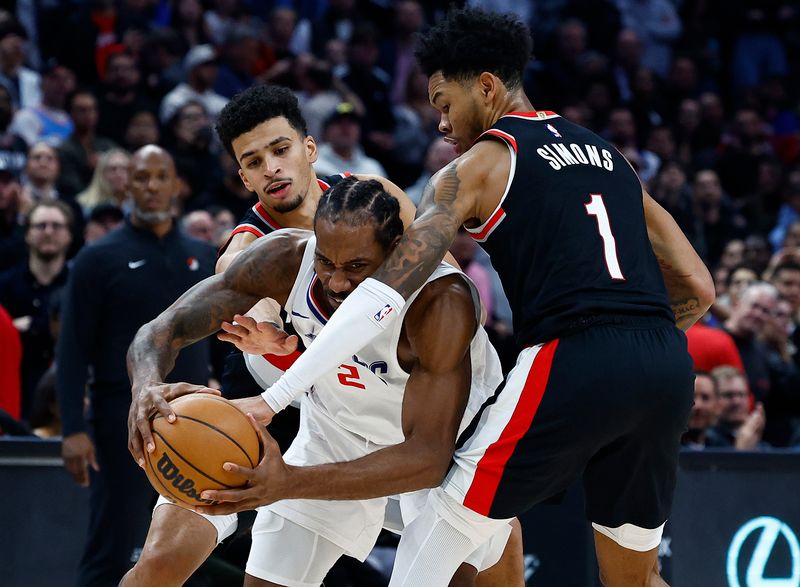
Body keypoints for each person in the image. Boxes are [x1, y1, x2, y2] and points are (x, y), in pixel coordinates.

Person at [222, 9, 714, 586]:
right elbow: (699, 287)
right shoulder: (610, 155)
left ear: (486, 86)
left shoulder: (476, 167)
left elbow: (384, 294)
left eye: (444, 103)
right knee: (636, 576)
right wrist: (635, 351)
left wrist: (276, 395)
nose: (441, 124)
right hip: (664, 364)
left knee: (432, 548)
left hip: (572, 355)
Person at [125, 84, 522, 587]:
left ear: (309, 149)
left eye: (280, 149)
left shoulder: (387, 212)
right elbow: (164, 331)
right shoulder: (261, 255)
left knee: (491, 539)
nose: (271, 167)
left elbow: (440, 296)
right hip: (296, 411)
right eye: (253, 160)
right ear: (242, 176)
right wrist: (145, 389)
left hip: (432, 424)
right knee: (166, 563)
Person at [56, 145, 216, 586]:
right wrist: (72, 428)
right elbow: (71, 349)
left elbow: (224, 337)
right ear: (127, 184)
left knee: (187, 550)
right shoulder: (97, 258)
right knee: (112, 545)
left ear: (176, 184)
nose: (151, 187)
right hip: (117, 421)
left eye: (160, 177)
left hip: (194, 421)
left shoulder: (202, 256)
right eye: (141, 177)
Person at [0, 200, 72, 422]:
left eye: (56, 226)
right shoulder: (5, 285)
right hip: (13, 393)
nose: (48, 232)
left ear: (69, 235)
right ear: (27, 234)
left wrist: (32, 326)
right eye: (40, 226)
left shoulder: (80, 286)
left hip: (68, 398)